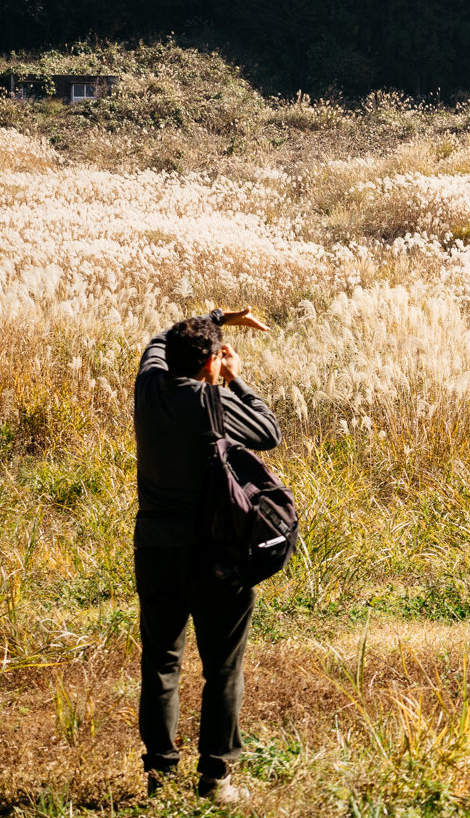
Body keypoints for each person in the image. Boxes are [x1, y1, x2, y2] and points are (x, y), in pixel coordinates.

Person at [133, 308, 277, 801]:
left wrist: (214, 318)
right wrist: (237, 381)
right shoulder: (212, 402)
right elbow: (268, 432)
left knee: (161, 660)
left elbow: (156, 340)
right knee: (222, 666)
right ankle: (216, 777)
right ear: (212, 363)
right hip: (215, 554)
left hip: (155, 550)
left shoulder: (148, 386)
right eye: (218, 360)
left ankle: (159, 774)